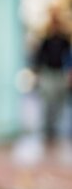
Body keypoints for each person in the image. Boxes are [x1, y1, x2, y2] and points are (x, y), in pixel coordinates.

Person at [34, 9, 71, 142]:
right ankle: (47, 128)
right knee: (48, 101)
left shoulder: (64, 41)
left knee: (60, 101)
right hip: (48, 73)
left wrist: (68, 73)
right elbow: (39, 58)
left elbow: (68, 58)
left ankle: (56, 127)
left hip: (59, 73)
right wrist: (38, 73)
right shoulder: (46, 41)